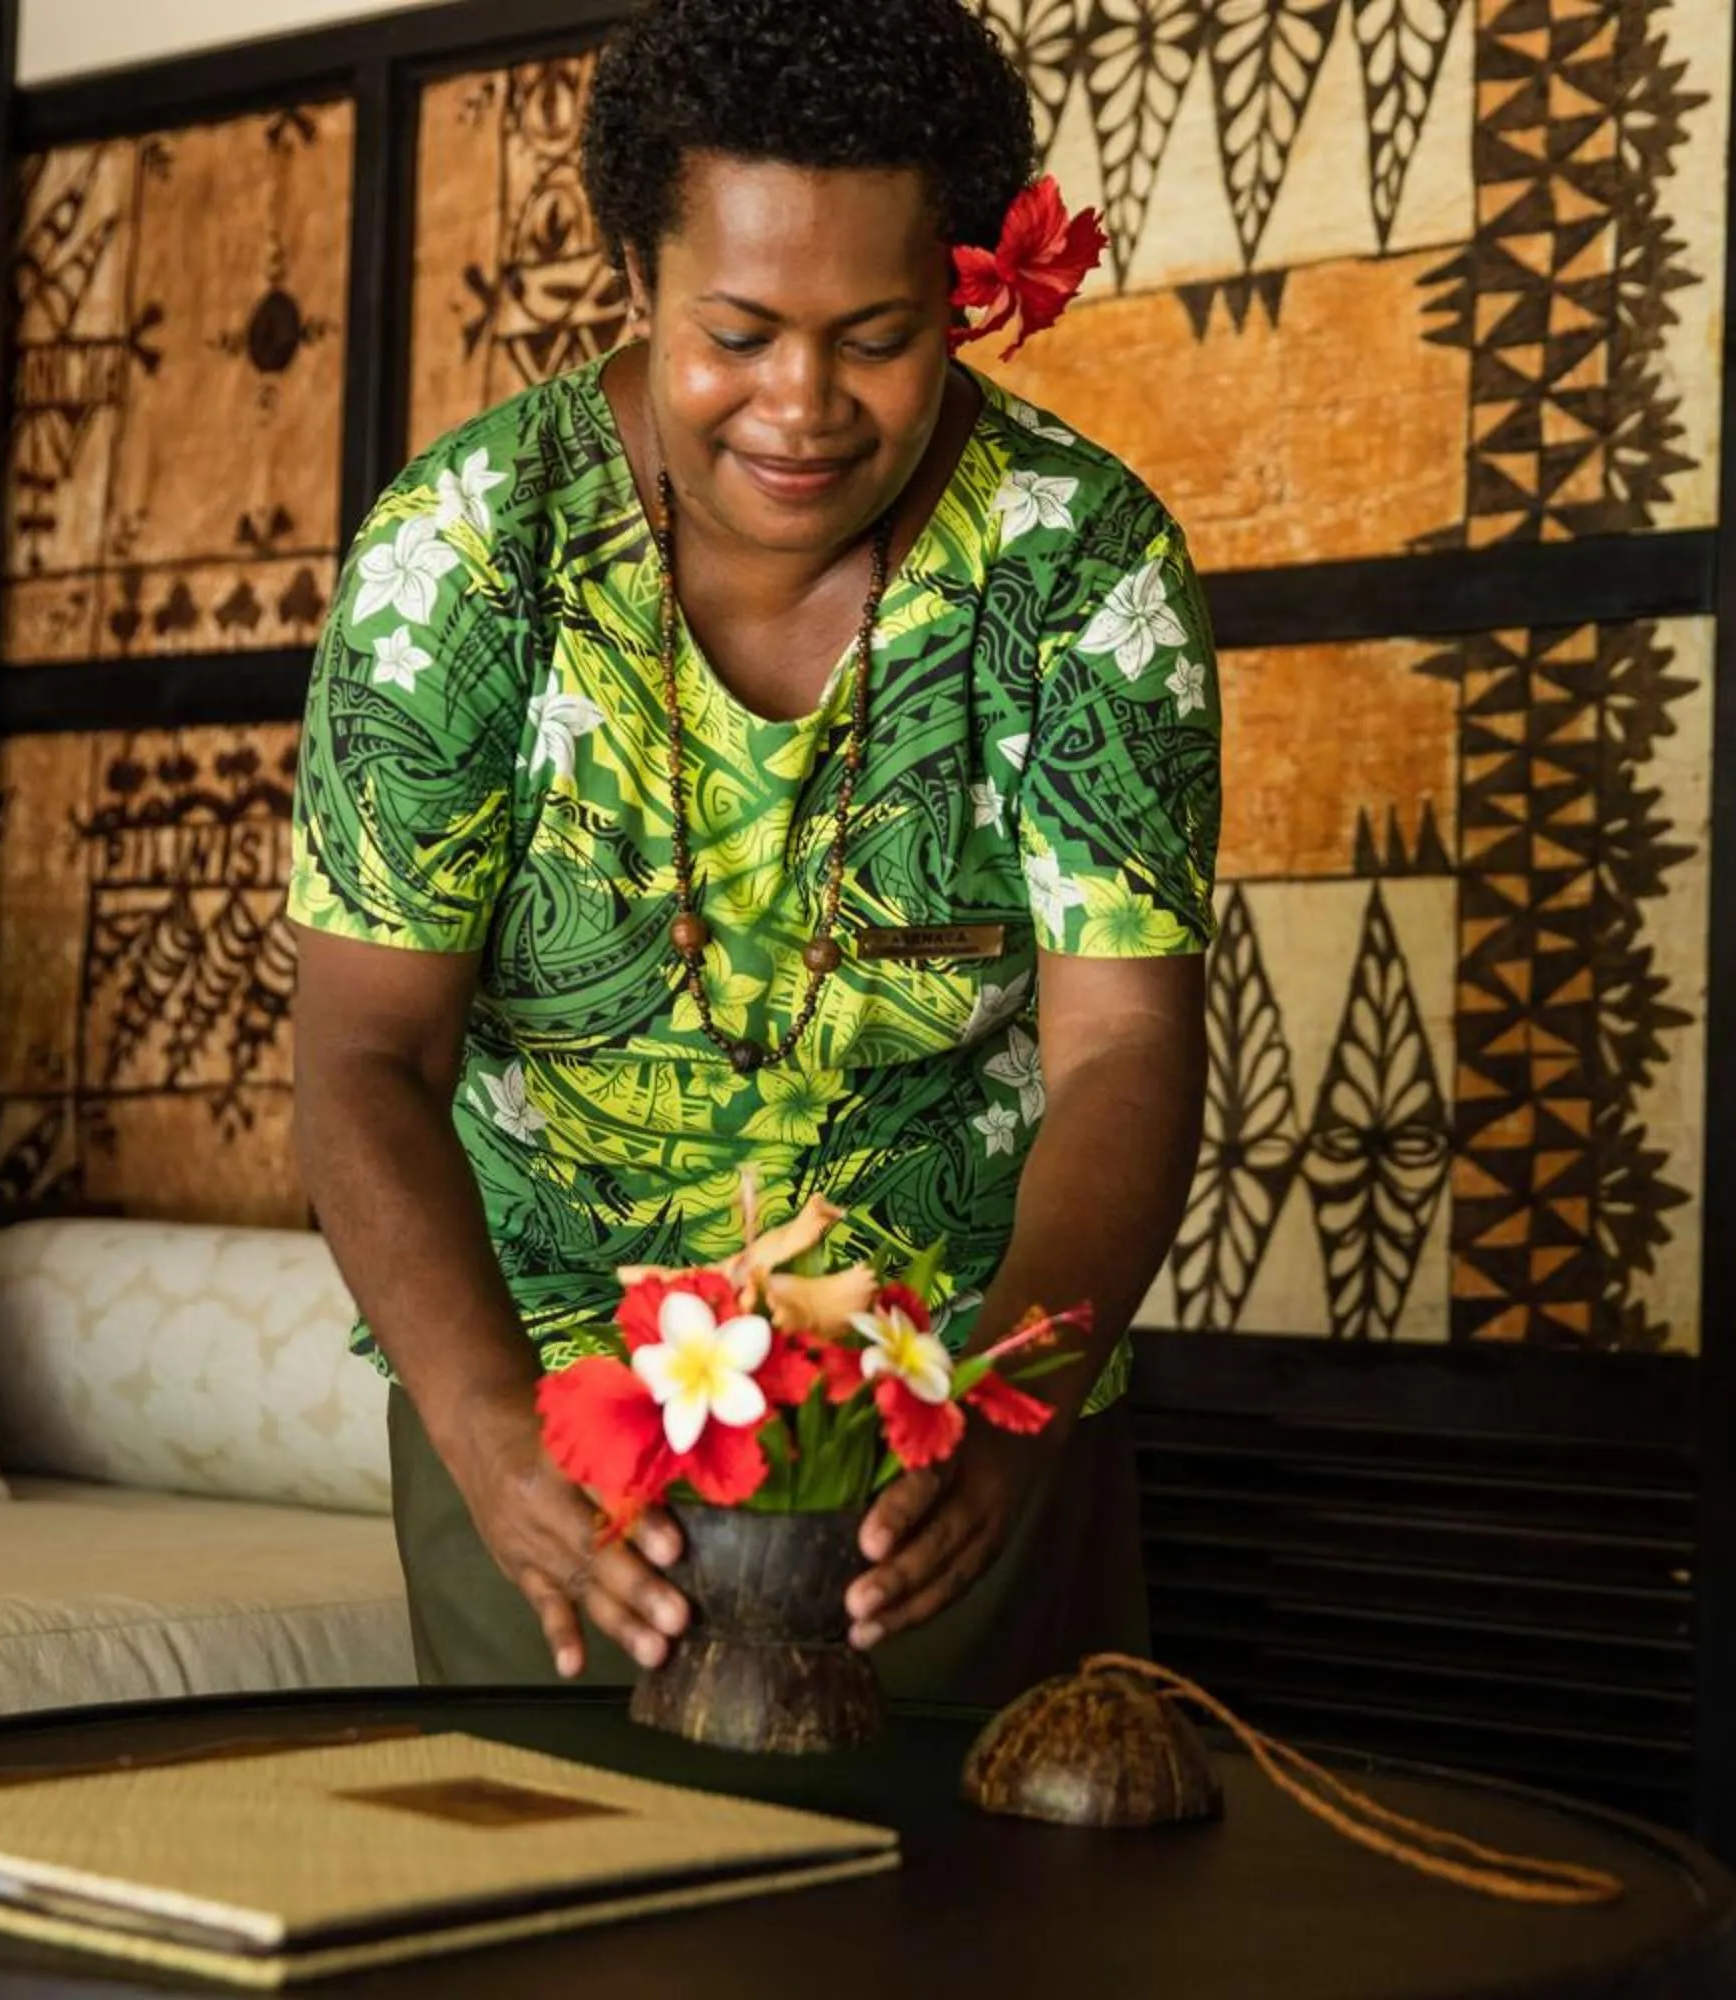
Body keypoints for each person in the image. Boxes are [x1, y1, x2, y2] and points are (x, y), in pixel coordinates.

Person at [288, 0, 1221, 1703]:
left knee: (987, 1866)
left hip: (956, 1419)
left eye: (876, 337)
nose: (801, 406)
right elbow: (364, 1054)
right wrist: (490, 1431)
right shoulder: (464, 558)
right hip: (549, 1415)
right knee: (566, 1873)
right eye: (737, 331)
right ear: (634, 282)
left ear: (964, 296)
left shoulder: (1081, 566)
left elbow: (1125, 1047)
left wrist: (1007, 1408)